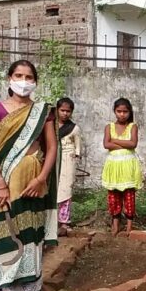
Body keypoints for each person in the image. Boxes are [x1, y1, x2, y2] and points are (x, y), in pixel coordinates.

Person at [0, 60, 58, 291]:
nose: (23, 81)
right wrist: (0, 183)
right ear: (9, 78)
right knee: (6, 229)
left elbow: (52, 147)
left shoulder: (43, 111)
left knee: (31, 231)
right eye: (18, 75)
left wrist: (41, 178)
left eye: (28, 77)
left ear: (35, 82)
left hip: (34, 179)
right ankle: (1, 288)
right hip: (6, 180)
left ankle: (27, 290)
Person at [102, 98, 142, 236]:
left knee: (129, 195)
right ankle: (115, 225)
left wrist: (115, 141)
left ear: (129, 112)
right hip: (113, 166)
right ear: (114, 111)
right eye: (119, 111)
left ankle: (129, 226)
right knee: (114, 196)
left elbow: (133, 144)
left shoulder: (133, 126)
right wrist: (125, 143)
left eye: (125, 111)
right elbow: (106, 144)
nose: (122, 114)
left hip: (128, 166)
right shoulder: (109, 127)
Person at [56, 97, 82, 233]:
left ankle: (64, 221)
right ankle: (51, 220)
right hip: (53, 160)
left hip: (68, 161)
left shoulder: (74, 128)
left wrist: (73, 158)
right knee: (53, 189)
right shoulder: (50, 126)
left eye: (68, 111)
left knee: (66, 189)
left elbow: (78, 148)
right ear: (57, 110)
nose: (65, 113)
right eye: (62, 110)